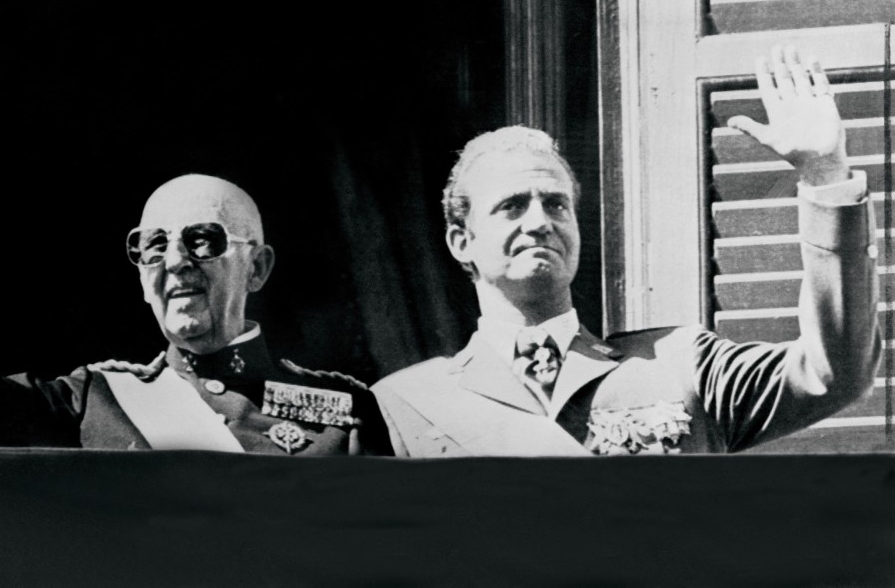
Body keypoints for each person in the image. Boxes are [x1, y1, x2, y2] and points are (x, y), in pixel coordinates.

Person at [371, 45, 881, 456]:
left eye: (556, 204)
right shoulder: (406, 405)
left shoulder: (682, 367)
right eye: (511, 206)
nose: (539, 221)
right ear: (462, 242)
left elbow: (831, 372)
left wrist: (825, 177)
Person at [0, 163, 393, 455]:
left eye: (203, 241)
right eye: (152, 245)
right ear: (142, 278)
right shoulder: (96, 399)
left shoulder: (344, 409)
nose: (175, 261)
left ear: (257, 267)